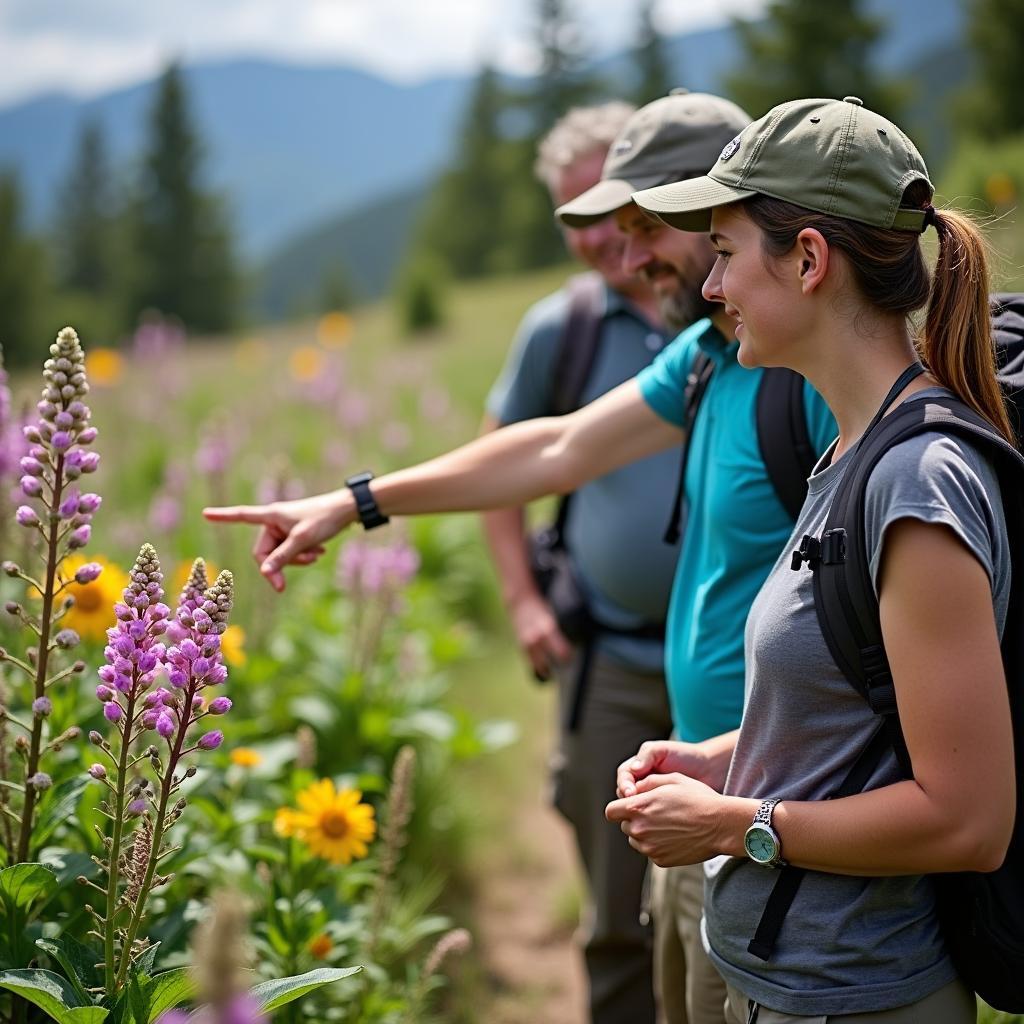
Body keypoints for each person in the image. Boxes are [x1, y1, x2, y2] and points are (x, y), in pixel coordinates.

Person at [204, 91, 837, 1024]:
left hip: (764, 807)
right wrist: (354, 501)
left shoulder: (807, 376)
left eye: (644, 226)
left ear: (715, 210)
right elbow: (556, 447)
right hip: (706, 788)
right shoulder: (709, 354)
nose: (631, 256)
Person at [606, 96, 1015, 1023]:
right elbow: (861, 731)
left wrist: (736, 825)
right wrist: (718, 760)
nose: (710, 287)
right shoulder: (851, 450)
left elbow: (969, 818)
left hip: (860, 998)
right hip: (797, 988)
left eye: (723, 251)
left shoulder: (917, 482)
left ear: (809, 260)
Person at [481, 102, 676, 1024]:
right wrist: (524, 602)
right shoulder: (562, 331)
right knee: (618, 911)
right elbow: (506, 470)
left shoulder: (741, 300)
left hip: (748, 669)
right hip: (615, 662)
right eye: (575, 218)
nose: (600, 237)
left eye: (614, 204)